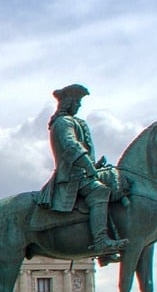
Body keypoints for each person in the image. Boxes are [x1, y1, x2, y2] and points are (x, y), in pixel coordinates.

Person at [42, 83, 123, 257]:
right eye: (77, 101)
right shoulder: (63, 122)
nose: (79, 105)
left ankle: (110, 239)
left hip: (82, 173)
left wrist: (94, 165)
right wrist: (88, 166)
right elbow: (71, 146)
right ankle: (101, 242)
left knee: (115, 182)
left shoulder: (73, 121)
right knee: (100, 192)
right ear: (69, 102)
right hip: (72, 177)